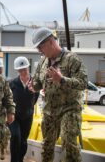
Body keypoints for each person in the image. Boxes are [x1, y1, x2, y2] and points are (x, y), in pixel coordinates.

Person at [28, 27, 87, 162]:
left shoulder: (72, 59)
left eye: (40, 47)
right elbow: (38, 81)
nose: (39, 51)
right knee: (47, 147)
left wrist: (61, 80)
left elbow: (83, 83)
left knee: (69, 144)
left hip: (69, 109)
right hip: (50, 111)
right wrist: (33, 86)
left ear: (50, 42)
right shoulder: (43, 62)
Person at [9, 56, 39, 162]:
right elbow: (8, 99)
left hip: (27, 116)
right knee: (16, 137)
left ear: (28, 68)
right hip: (14, 116)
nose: (23, 72)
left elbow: (35, 99)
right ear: (17, 70)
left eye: (25, 69)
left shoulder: (35, 83)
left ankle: (20, 159)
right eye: (20, 70)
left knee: (23, 141)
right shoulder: (12, 83)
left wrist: (29, 108)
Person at [0, 59, 11, 160]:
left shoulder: (5, 81)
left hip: (2, 112)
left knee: (4, 133)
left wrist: (10, 111)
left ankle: (3, 148)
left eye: (0, 69)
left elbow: (9, 97)